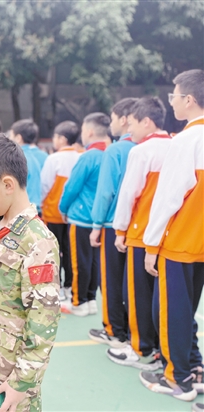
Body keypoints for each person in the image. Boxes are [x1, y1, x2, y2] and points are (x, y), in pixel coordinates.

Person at [0, 134, 60, 412]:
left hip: (9, 375)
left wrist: (22, 383)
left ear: (7, 185)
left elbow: (43, 321)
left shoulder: (38, 241)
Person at [140, 69, 204, 402]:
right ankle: (194, 367)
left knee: (169, 313)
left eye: (174, 96)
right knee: (187, 310)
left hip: (179, 243)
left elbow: (169, 198)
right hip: (200, 244)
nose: (173, 101)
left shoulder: (186, 141)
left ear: (188, 100)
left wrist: (152, 245)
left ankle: (177, 379)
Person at [109, 96, 170, 371]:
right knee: (162, 298)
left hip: (140, 232)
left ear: (147, 121)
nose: (130, 129)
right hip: (167, 236)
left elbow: (128, 195)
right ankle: (159, 348)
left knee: (136, 294)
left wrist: (120, 229)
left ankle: (140, 348)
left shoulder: (141, 151)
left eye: (132, 123)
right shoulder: (175, 146)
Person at [87, 97, 138, 348]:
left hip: (112, 224)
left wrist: (96, 225)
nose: (112, 123)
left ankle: (114, 329)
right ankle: (135, 331)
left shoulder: (116, 150)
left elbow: (105, 192)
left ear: (125, 119)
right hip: (141, 227)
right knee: (136, 283)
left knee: (111, 280)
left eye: (114, 117)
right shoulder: (153, 147)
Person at [59, 113, 111, 316]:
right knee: (94, 261)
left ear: (89, 131)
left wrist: (63, 208)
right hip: (101, 217)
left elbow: (72, 187)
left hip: (81, 216)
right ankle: (90, 299)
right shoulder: (109, 154)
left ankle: (78, 301)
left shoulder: (88, 157)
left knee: (79, 261)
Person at [40, 121, 81, 301]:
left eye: (56, 137)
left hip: (53, 213)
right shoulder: (80, 157)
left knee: (54, 251)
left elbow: (45, 185)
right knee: (70, 251)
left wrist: (42, 204)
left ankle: (56, 286)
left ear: (62, 139)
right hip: (72, 215)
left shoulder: (53, 159)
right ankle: (69, 286)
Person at [9, 119, 46, 211]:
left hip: (21, 210)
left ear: (18, 138)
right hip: (35, 208)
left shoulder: (15, 158)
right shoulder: (34, 158)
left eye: (11, 135)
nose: (9, 138)